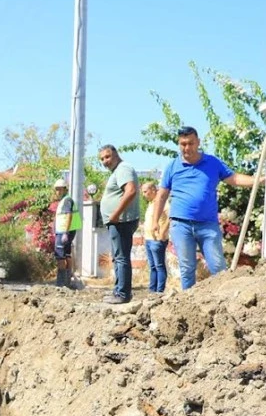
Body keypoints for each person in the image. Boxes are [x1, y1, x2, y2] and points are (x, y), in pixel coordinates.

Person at [148, 127, 257, 290]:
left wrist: (258, 180)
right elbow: (162, 195)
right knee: (186, 269)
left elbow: (233, 178)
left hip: (208, 225)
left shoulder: (212, 163)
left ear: (198, 142)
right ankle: (189, 306)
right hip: (181, 225)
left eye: (190, 143)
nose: (187, 148)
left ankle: (223, 299)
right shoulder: (172, 166)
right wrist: (155, 221)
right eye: (182, 144)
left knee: (218, 267)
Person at [97, 144, 139, 304]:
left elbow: (131, 190)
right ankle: (118, 291)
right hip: (117, 222)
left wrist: (115, 214)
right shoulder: (118, 171)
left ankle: (123, 294)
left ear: (116, 154)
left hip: (121, 222)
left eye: (107, 157)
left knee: (121, 257)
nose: (105, 161)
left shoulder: (123, 168)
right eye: (102, 159)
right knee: (118, 257)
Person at [140, 181, 169, 293]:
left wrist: (162, 233)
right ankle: (152, 291)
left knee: (159, 266)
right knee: (152, 266)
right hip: (149, 239)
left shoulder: (162, 202)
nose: (144, 194)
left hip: (157, 240)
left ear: (153, 190)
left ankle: (159, 291)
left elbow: (169, 217)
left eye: (145, 192)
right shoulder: (152, 203)